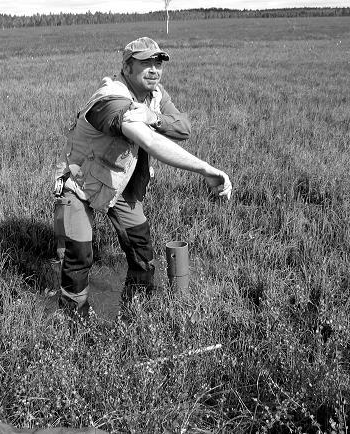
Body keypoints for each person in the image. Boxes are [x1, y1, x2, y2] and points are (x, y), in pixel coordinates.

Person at [53, 37, 232, 317]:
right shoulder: (109, 98)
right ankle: (75, 323)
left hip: (118, 185)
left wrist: (154, 116)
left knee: (141, 246)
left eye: (158, 63)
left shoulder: (155, 95)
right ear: (127, 66)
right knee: (79, 257)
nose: (154, 70)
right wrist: (206, 169)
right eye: (145, 63)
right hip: (80, 185)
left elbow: (184, 127)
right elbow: (147, 140)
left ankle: (139, 307)